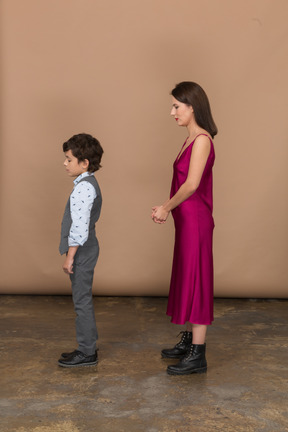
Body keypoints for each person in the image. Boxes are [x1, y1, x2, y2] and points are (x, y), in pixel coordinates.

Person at [151, 82, 217, 375]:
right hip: (187, 221)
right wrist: (168, 209)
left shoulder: (202, 140)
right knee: (188, 278)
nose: (172, 112)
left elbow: (191, 185)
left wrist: (165, 207)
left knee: (198, 280)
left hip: (196, 221)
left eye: (176, 106)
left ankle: (197, 355)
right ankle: (190, 340)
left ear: (192, 106)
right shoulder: (190, 139)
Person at [58, 133, 103, 368]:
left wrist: (70, 257)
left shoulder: (83, 189)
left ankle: (87, 352)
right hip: (87, 248)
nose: (65, 164)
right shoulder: (87, 184)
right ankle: (86, 346)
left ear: (84, 163)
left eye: (69, 159)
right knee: (81, 299)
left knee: (81, 300)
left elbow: (79, 227)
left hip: (82, 251)